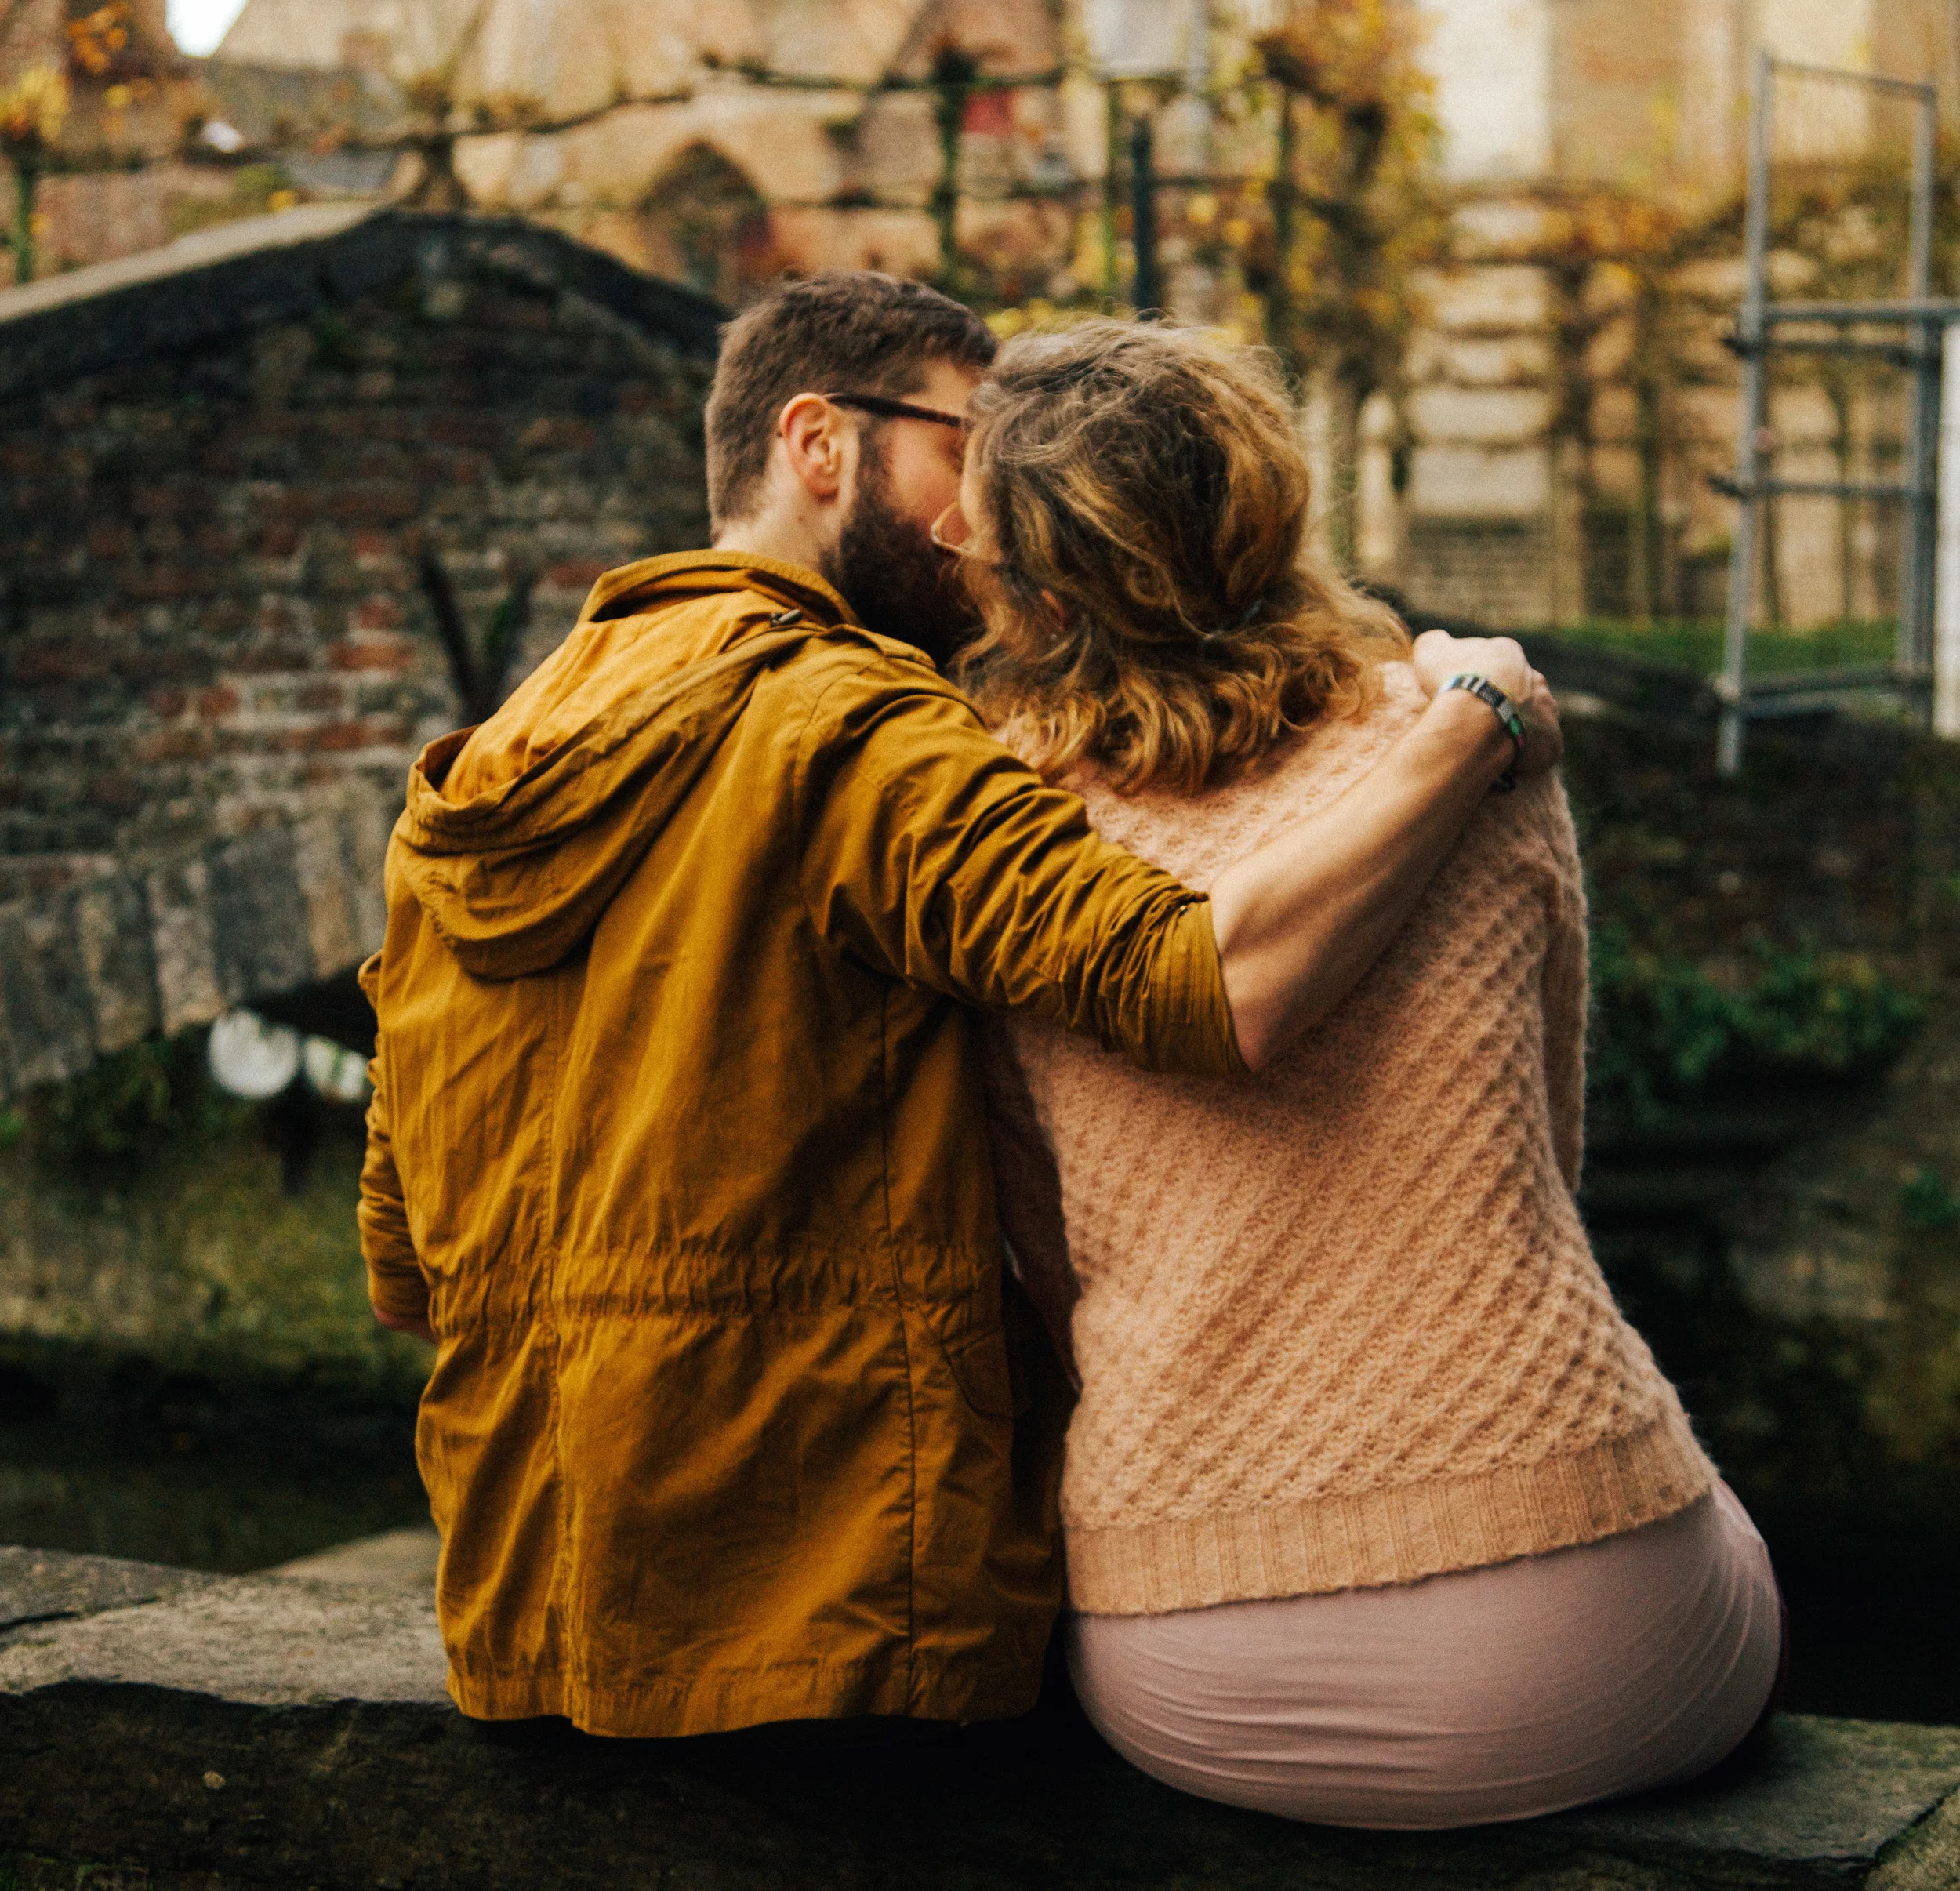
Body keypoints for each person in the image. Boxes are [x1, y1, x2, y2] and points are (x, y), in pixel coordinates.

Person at [357, 271, 1559, 1740]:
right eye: (957, 446)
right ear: (820, 445)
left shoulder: (486, 760)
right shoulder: (858, 728)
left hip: (532, 1624)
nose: (972, 518)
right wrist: (1473, 725)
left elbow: (403, 1260)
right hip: (831, 1626)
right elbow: (1199, 977)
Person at [956, 318, 1784, 1830]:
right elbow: (1545, 1141)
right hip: (1589, 1622)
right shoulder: (1470, 740)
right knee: (1725, 1547)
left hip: (1190, 1652)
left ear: (1023, 566)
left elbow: (1037, 1252)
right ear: (1273, 499)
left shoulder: (998, 838)